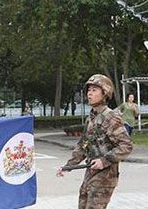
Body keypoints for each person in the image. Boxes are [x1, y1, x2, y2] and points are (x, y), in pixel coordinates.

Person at [56, 74, 133, 209]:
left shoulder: (111, 118)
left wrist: (104, 161)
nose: (89, 93)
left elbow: (126, 146)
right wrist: (68, 166)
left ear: (105, 93)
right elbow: (83, 145)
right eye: (89, 90)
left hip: (105, 176)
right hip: (90, 172)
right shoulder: (91, 118)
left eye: (94, 90)